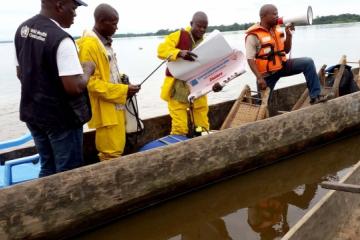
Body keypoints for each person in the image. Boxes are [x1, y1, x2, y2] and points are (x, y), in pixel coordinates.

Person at [14, 0, 95, 177]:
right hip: (60, 120)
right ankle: (68, 204)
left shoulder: (22, 30)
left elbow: (21, 73)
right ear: (60, 6)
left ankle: (44, 203)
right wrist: (88, 69)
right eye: (73, 8)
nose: (75, 14)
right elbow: (73, 87)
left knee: (47, 166)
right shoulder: (62, 39)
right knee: (68, 172)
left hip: (33, 114)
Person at [77, 4, 141, 161]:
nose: (116, 27)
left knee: (118, 148)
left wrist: (123, 82)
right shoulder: (89, 45)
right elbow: (90, 83)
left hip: (116, 106)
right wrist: (123, 91)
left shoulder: (103, 43)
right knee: (110, 153)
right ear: (100, 21)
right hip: (105, 112)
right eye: (113, 23)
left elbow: (107, 74)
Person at [245, 4, 327, 104]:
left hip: (282, 66)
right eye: (274, 14)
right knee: (262, 105)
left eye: (277, 14)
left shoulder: (277, 29)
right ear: (263, 16)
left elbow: (286, 50)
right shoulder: (253, 36)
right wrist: (259, 78)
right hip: (267, 76)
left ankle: (315, 96)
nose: (277, 16)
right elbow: (250, 59)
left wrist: (289, 36)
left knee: (308, 62)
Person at [157, 11, 222, 137]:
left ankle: (199, 144)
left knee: (202, 128)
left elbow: (212, 69)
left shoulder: (207, 43)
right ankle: (178, 147)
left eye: (204, 27)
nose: (202, 29)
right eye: (198, 26)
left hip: (199, 90)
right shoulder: (179, 35)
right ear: (191, 23)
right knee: (180, 129)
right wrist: (179, 53)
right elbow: (161, 51)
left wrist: (216, 84)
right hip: (178, 90)